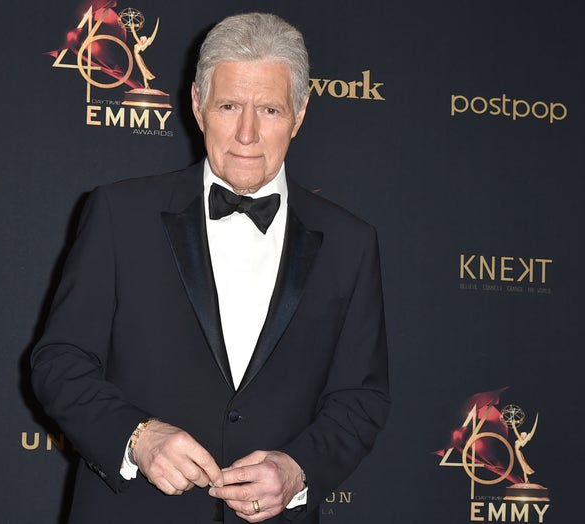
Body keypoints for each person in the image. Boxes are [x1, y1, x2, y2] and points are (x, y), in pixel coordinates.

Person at [31, 12, 390, 523]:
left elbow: (361, 398)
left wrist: (298, 469)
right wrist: (137, 436)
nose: (247, 133)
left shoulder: (351, 244)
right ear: (197, 105)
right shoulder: (119, 214)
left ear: (301, 113)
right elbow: (60, 361)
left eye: (268, 109)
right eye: (228, 106)